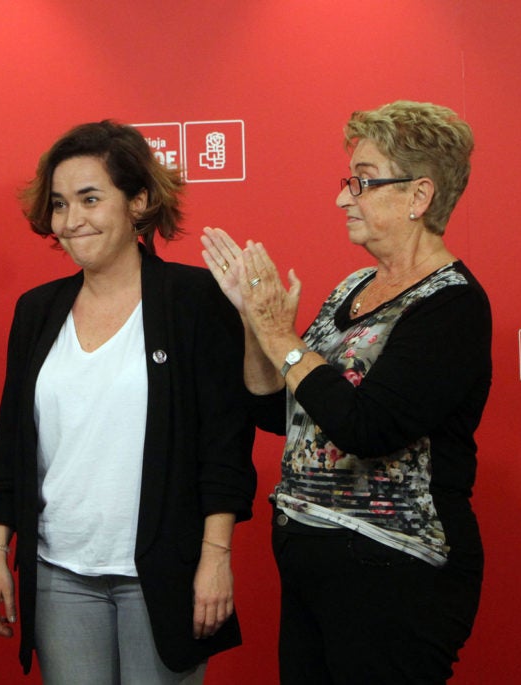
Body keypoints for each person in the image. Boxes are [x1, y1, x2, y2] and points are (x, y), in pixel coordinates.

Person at [200, 100, 489, 684]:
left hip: (398, 575)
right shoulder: (353, 286)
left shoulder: (451, 305)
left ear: (418, 196)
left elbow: (365, 427)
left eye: (363, 180)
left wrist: (280, 333)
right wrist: (255, 327)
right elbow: (279, 411)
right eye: (348, 180)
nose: (343, 197)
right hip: (312, 567)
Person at [0, 120, 257, 684]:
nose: (71, 220)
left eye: (89, 199)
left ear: (140, 202)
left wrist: (215, 554)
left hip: (163, 570)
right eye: (59, 204)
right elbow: (12, 442)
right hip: (59, 574)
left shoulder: (193, 300)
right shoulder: (37, 311)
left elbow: (224, 442)